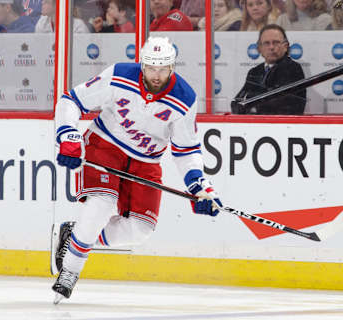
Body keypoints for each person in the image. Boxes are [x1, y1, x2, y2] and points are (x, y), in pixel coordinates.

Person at [51, 36, 223, 303]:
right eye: (151, 68)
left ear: (172, 67)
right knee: (101, 204)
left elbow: (186, 150)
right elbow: (71, 100)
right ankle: (70, 273)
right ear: (142, 64)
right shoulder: (119, 75)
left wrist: (199, 186)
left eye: (162, 68)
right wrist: (68, 136)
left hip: (146, 161)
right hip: (105, 146)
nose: (156, 75)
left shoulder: (185, 98)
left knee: (140, 230)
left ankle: (76, 235)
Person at [231, 24, 306, 114]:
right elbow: (236, 102)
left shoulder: (293, 68)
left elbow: (286, 105)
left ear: (285, 46)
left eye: (276, 42)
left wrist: (252, 108)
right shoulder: (254, 71)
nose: (271, 47)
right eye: (266, 43)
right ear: (259, 48)